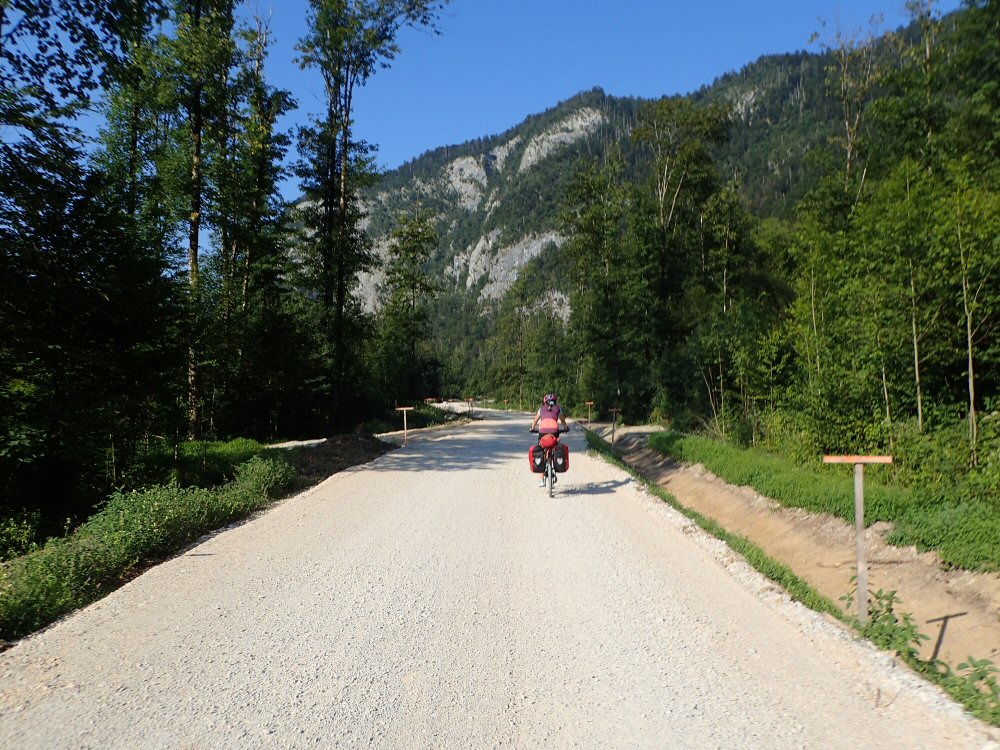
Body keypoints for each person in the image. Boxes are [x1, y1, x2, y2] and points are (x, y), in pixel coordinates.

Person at [530, 393, 569, 486]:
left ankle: (541, 480)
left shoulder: (541, 408)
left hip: (542, 432)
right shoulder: (558, 408)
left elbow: (535, 420)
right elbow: (563, 421)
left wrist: (532, 428)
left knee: (541, 449)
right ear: (555, 401)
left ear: (545, 401)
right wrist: (566, 428)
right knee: (556, 445)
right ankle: (556, 464)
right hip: (554, 431)